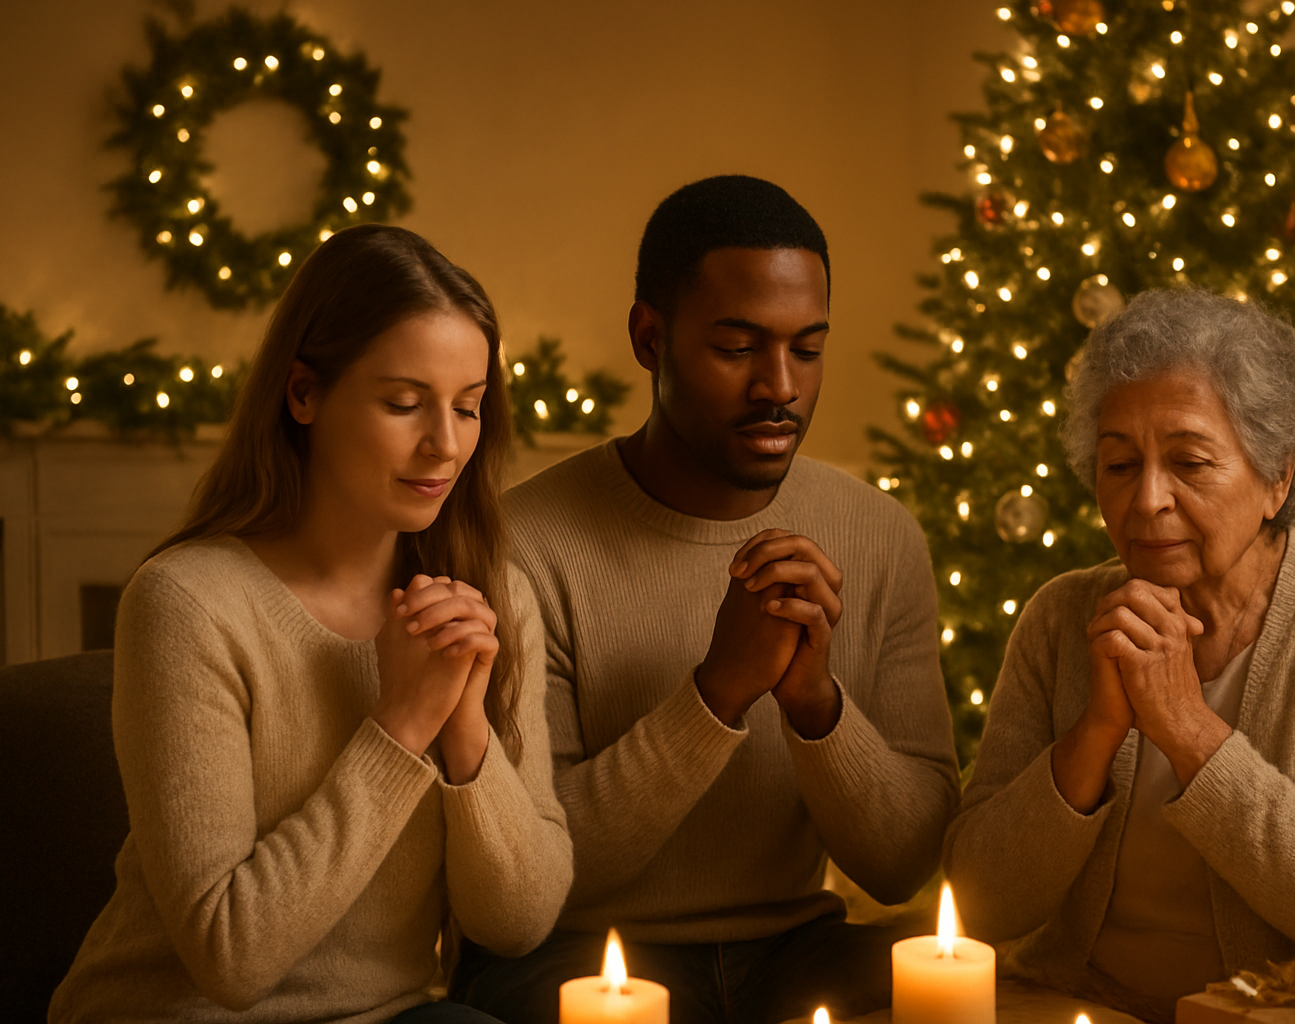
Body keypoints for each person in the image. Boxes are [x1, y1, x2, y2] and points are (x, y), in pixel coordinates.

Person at [453, 175, 959, 1024]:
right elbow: (542, 873)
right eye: (738, 348)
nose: (781, 386)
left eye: (807, 348)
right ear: (650, 338)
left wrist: (816, 708)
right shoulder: (521, 545)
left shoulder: (880, 535)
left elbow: (903, 865)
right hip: (579, 954)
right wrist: (717, 694)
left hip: (799, 948)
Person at [49, 225, 572, 1024]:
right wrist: (400, 727)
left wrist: (466, 731)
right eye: (403, 403)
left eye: (467, 408)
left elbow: (517, 923)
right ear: (303, 394)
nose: (445, 445)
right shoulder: (187, 602)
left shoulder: (491, 595)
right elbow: (230, 957)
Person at [943, 288, 1295, 1023]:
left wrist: (1184, 725)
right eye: (1119, 465)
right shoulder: (1061, 617)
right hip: (1082, 1004)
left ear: (1278, 477)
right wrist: (1093, 735)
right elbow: (980, 898)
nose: (1148, 499)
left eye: (1190, 462)